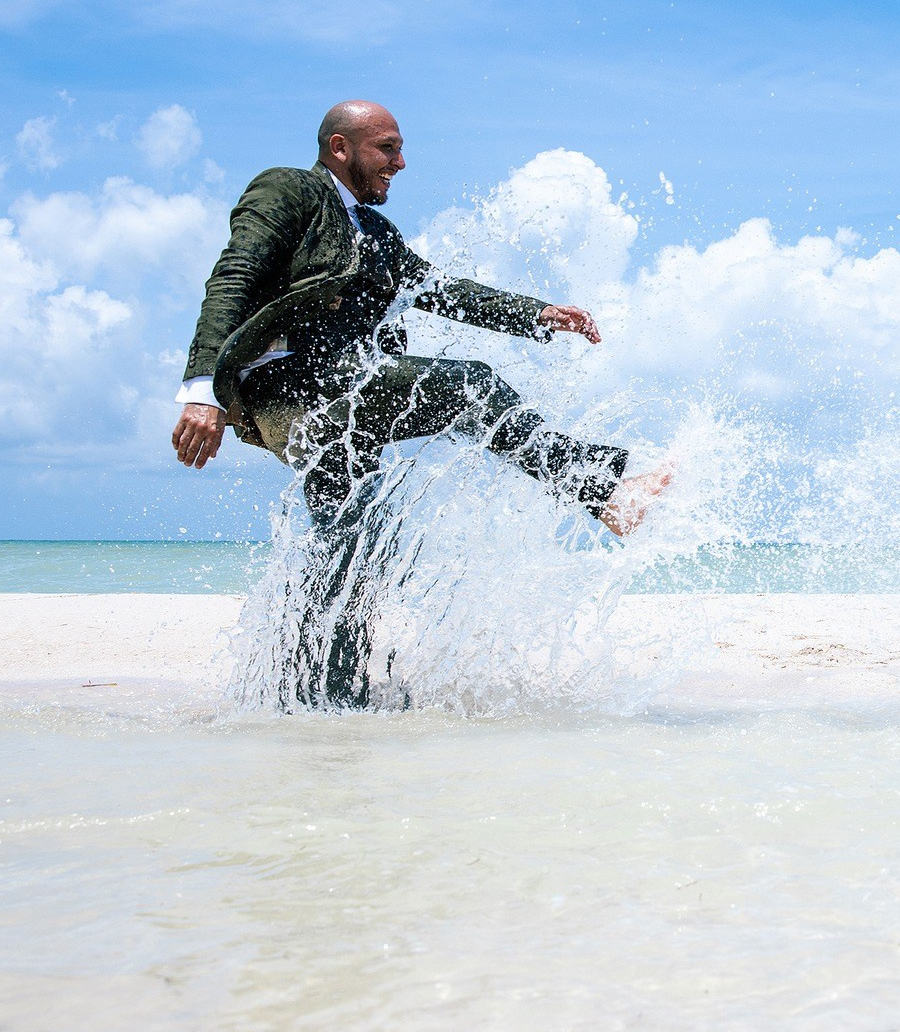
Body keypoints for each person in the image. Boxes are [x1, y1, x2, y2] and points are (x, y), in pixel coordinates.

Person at [171, 101, 669, 706]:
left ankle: (324, 701)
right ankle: (604, 493)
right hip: (297, 390)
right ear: (339, 148)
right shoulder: (291, 191)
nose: (400, 163)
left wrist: (534, 313)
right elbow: (235, 275)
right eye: (387, 148)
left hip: (343, 401)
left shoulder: (377, 233)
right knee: (471, 387)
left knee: (353, 545)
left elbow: (438, 290)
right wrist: (204, 391)